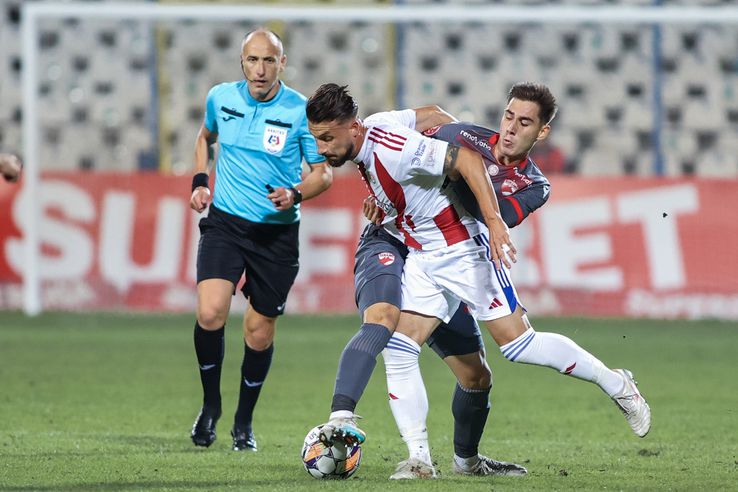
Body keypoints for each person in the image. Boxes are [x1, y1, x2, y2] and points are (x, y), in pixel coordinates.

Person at [306, 82, 651, 477]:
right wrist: (390, 201)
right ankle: (419, 459)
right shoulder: (448, 133)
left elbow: (466, 165)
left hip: (464, 250)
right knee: (401, 348)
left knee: (519, 345)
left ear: (541, 132)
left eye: (524, 123)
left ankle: (616, 383)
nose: (510, 128)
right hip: (422, 252)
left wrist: (493, 222)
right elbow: (435, 119)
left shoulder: (530, 183)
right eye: (508, 116)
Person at [188, 28, 331, 452]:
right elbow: (204, 137)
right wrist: (200, 181)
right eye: (253, 60)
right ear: (242, 62)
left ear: (282, 64)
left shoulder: (300, 110)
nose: (260, 69)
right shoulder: (221, 98)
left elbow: (323, 172)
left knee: (258, 333)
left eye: (269, 60)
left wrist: (296, 192)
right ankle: (210, 404)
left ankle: (243, 422)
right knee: (210, 312)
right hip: (226, 224)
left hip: (276, 234)